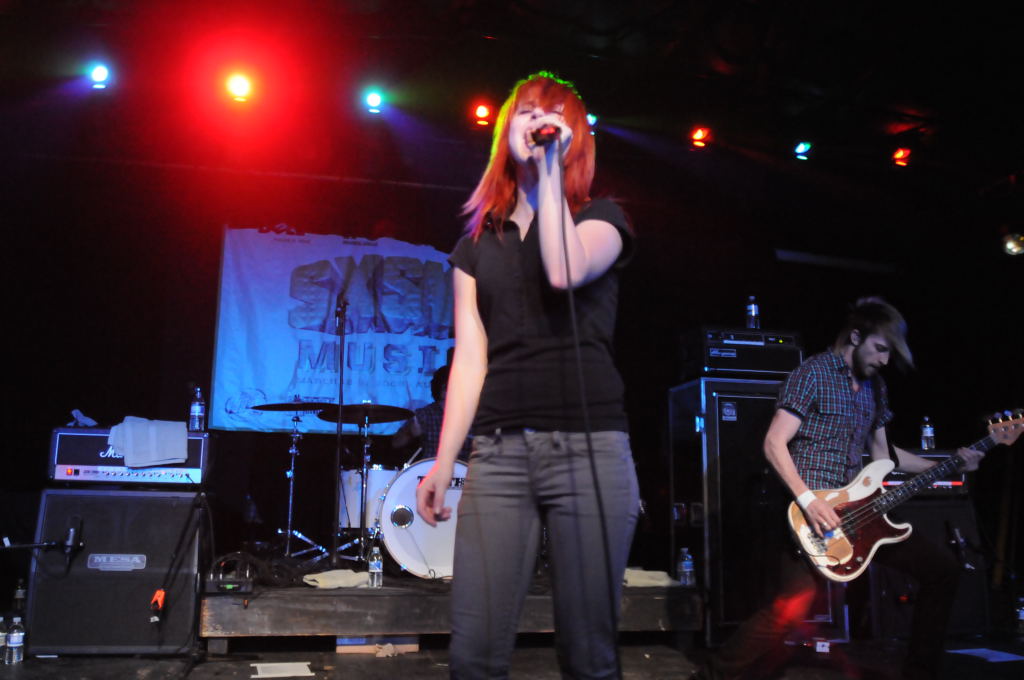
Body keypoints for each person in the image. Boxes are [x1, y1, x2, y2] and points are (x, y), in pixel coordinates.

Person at [414, 71, 639, 679]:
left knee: (589, 657)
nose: (537, 122)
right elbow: (471, 358)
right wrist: (443, 462)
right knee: (474, 655)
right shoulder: (475, 246)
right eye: (525, 112)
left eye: (550, 114)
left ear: (573, 136)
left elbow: (563, 272)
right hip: (498, 455)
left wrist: (550, 170)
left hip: (590, 451)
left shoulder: (602, 220)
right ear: (503, 132)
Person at [697, 297, 985, 680]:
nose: (885, 360)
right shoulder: (813, 373)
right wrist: (808, 500)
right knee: (789, 610)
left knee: (942, 570)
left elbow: (885, 456)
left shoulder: (875, 387)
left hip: (862, 512)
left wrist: (948, 464)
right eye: (880, 348)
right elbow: (774, 443)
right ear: (855, 336)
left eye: (889, 353)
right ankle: (710, 676)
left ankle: (920, 672)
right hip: (812, 514)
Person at [392, 364, 471, 462]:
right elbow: (396, 443)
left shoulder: (472, 417)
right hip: (430, 468)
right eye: (447, 387)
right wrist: (410, 433)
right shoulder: (425, 415)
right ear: (441, 390)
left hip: (464, 469)